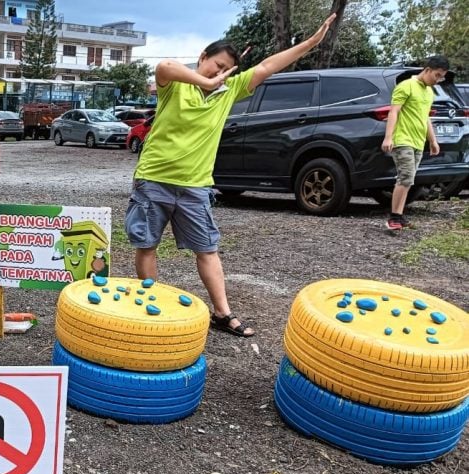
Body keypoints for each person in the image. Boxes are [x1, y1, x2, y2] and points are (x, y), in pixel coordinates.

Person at [126, 15, 336, 338]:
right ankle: (149, 303)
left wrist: (309, 44)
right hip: (154, 179)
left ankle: (222, 314)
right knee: (147, 244)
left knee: (207, 249)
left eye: (226, 70)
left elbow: (267, 67)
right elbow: (164, 66)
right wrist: (205, 81)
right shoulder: (176, 85)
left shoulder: (229, 91)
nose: (220, 73)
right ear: (202, 58)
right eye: (216, 64)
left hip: (195, 186)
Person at [381, 55, 449, 232]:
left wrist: (433, 140)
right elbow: (394, 112)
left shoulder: (428, 92)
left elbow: (425, 117)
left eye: (441, 76)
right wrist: (388, 137)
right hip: (403, 139)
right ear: (427, 70)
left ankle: (399, 214)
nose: (438, 79)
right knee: (405, 177)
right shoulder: (406, 86)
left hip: (418, 141)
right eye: (437, 75)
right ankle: (393, 218)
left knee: (408, 180)